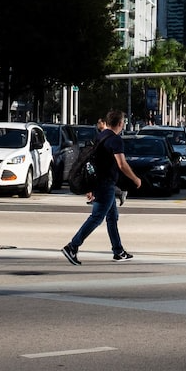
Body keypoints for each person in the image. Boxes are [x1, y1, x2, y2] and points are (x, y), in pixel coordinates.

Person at [62, 110, 142, 265]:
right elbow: (121, 164)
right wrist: (135, 178)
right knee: (97, 217)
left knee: (112, 217)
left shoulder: (101, 136)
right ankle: (72, 246)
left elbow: (94, 162)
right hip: (105, 184)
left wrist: (90, 187)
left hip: (102, 183)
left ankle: (118, 251)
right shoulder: (115, 140)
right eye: (123, 122)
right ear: (120, 123)